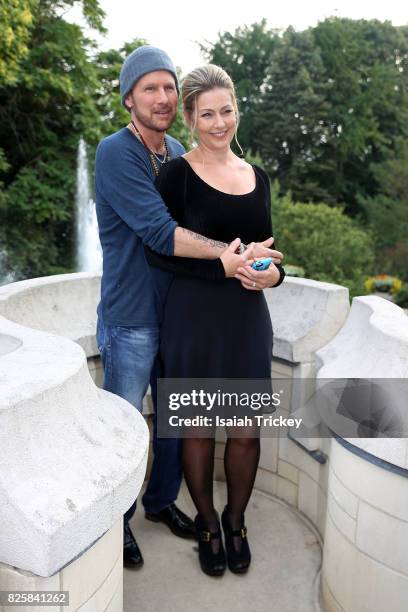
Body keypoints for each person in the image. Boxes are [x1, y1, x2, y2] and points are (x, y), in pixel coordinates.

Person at [95, 47, 283, 570]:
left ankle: (160, 505)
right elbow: (160, 236)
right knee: (128, 427)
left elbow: (257, 241)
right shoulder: (121, 153)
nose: (161, 96)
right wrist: (230, 257)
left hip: (187, 313)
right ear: (129, 97)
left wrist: (264, 267)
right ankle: (118, 526)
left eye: (167, 87)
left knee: (178, 428)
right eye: (148, 88)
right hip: (134, 314)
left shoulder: (175, 150)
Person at [144, 64, 285, 576]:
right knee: (198, 430)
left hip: (247, 319)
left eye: (226, 111)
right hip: (194, 316)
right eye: (207, 114)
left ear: (236, 112)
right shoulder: (175, 175)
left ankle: (235, 518)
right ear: (190, 117)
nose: (219, 122)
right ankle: (206, 521)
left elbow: (267, 253)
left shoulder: (258, 177)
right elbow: (159, 253)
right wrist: (220, 268)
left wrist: (276, 276)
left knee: (245, 431)